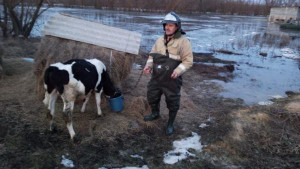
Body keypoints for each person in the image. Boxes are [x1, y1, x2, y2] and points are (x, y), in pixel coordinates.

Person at [143, 11, 193, 135]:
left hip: (172, 79)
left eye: (171, 25)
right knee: (152, 96)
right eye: (166, 25)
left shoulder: (184, 41)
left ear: (177, 27)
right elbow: (151, 56)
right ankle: (155, 113)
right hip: (157, 76)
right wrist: (148, 66)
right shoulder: (159, 40)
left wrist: (178, 71)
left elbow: (188, 61)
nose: (167, 27)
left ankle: (170, 124)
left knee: (173, 101)